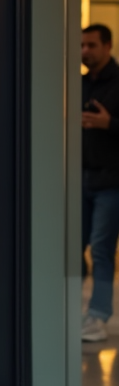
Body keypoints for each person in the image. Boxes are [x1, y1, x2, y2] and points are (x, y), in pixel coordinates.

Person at [81, 24, 119, 342]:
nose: (85, 51)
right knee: (71, 248)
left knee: (102, 251)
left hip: (111, 182)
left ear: (108, 46)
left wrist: (110, 123)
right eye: (82, 45)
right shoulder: (78, 83)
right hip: (80, 180)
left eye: (92, 45)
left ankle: (98, 315)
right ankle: (72, 309)